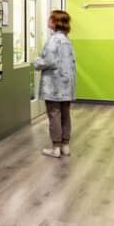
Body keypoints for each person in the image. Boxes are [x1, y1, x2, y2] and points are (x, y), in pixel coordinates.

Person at [33, 10, 76, 158]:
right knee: (65, 114)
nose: (47, 20)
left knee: (54, 114)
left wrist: (37, 62)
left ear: (53, 21)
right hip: (66, 84)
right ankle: (65, 145)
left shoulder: (53, 40)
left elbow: (49, 61)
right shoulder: (66, 40)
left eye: (49, 18)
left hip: (54, 85)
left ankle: (55, 147)